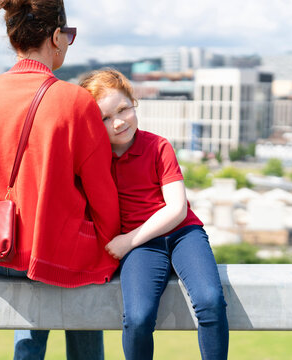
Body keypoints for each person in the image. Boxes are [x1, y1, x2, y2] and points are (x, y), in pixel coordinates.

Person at [0, 1, 120, 359]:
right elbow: (102, 194)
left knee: (30, 333)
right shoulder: (75, 101)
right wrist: (113, 246)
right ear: (55, 37)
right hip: (59, 258)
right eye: (69, 35)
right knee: (79, 275)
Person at [80, 69, 229, 360]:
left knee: (210, 301)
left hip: (181, 234)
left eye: (123, 109)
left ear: (134, 103)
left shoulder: (158, 146)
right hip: (144, 248)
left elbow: (177, 209)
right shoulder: (93, 159)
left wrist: (127, 241)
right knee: (137, 318)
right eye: (105, 118)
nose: (118, 122)